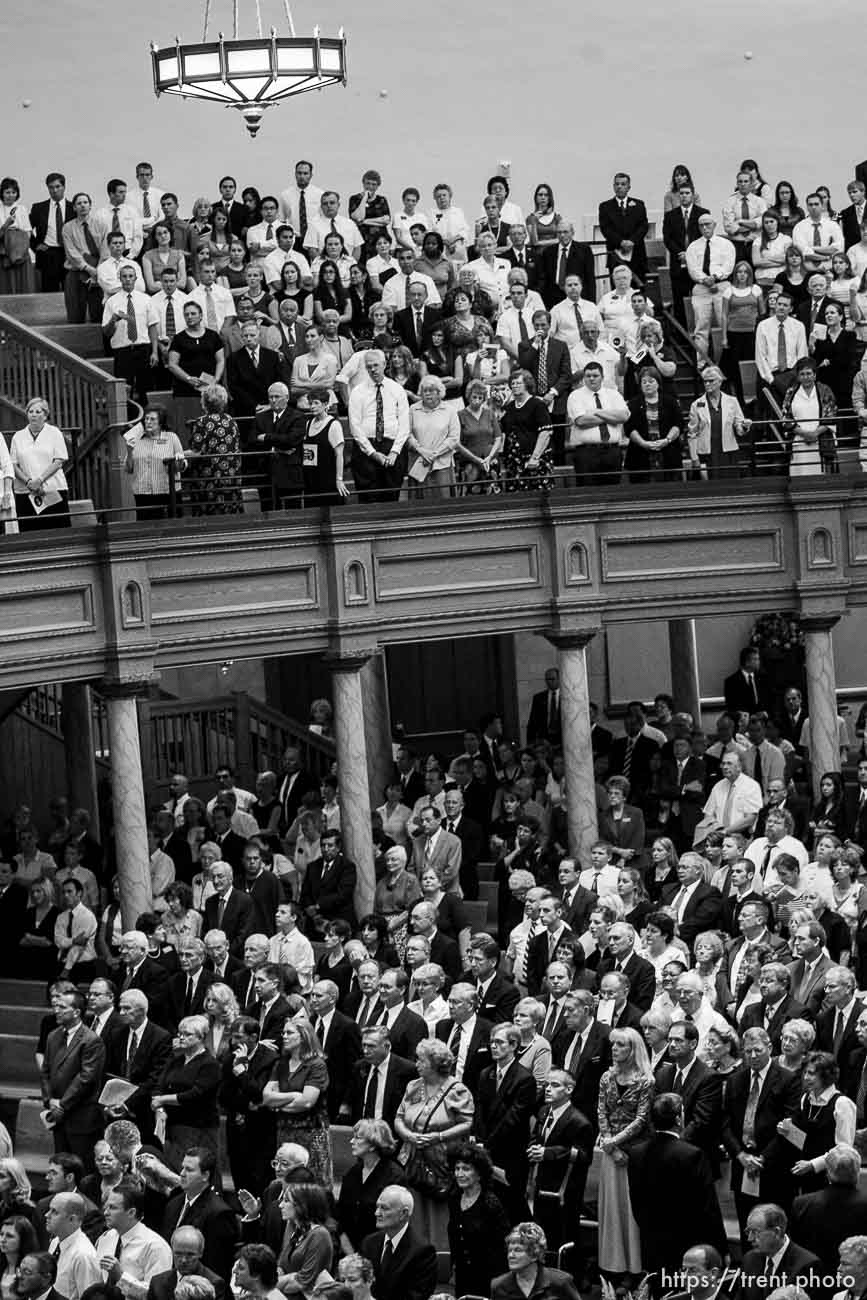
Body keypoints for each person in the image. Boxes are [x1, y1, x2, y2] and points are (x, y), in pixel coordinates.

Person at [393, 1037, 473, 1250]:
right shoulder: (413, 1086)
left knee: (438, 1211)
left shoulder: (457, 1089)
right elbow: (399, 1117)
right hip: (412, 1159)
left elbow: (467, 1123)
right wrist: (408, 1135)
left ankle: (441, 1255)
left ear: (436, 1063)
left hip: (441, 1161)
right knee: (414, 1208)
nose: (416, 1064)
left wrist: (438, 1136)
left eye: (421, 1060)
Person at [39, 988, 105, 1168]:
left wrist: (62, 1104)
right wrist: (49, 1100)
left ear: (76, 1012)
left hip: (81, 1116)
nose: (56, 1010)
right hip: (58, 1116)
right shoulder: (53, 1036)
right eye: (56, 1006)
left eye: (62, 1007)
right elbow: (45, 1071)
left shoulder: (91, 1040)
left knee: (82, 1169)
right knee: (61, 1168)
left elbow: (86, 1078)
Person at [262, 1019, 332, 1187]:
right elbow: (266, 1097)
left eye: (289, 1033)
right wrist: (293, 1095)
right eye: (283, 1033)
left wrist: (278, 1103)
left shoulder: (316, 1065)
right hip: (285, 1131)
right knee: (285, 1179)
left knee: (313, 1182)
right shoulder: (281, 1064)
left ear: (303, 1037)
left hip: (311, 1133)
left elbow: (307, 1102)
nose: (284, 1036)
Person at [151, 1014, 221, 1169]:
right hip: (172, 1125)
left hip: (198, 1128)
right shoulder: (176, 1060)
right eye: (180, 1034)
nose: (181, 1038)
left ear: (201, 1037)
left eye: (187, 1034)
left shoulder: (209, 1063)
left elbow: (195, 1095)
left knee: (192, 1169)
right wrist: (160, 1109)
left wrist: (162, 1100)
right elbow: (158, 1086)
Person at [446, 1143, 509, 1299]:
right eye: (457, 1168)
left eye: (466, 1169)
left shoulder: (490, 1203)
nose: (460, 1174)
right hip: (462, 1274)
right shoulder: (454, 1198)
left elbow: (502, 1244)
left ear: (479, 1174)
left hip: (488, 1276)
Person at [347, 348, 410, 502]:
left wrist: (395, 452)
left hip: (392, 448)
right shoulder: (357, 391)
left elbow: (404, 423)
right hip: (366, 451)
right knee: (368, 499)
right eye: (369, 366)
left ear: (384, 364)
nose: (372, 370)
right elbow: (355, 426)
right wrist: (372, 453)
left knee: (391, 497)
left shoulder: (397, 389)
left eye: (375, 365)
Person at [335, 1119, 406, 1252]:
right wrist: (351, 1256)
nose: (352, 1141)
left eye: (358, 1138)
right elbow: (341, 1220)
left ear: (373, 1145)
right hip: (349, 1251)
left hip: (381, 1251)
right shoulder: (353, 1173)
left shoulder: (394, 1176)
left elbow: (394, 1223)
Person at [359, 1185, 437, 1300]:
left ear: (403, 1214)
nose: (377, 1213)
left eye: (384, 1208)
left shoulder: (422, 1252)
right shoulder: (369, 1243)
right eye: (377, 1207)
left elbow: (416, 1297)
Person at [10, 396, 70, 531]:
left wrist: (40, 480)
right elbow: (13, 465)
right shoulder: (18, 436)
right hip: (26, 491)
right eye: (30, 411)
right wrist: (29, 482)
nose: (34, 415)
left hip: (52, 489)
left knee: (56, 530)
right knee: (30, 532)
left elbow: (59, 461)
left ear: (45, 415)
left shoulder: (54, 433)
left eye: (38, 412)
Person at [567, 360, 630, 486]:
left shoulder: (613, 394)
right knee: (587, 493)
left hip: (612, 452)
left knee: (612, 492)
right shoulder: (575, 396)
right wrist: (611, 416)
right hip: (586, 453)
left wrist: (597, 412)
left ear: (602, 377)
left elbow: (623, 416)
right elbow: (581, 421)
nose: (591, 379)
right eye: (588, 376)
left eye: (595, 376)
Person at [186, 385, 242, 514]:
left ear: (204, 403)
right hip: (231, 476)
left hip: (210, 478)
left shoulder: (201, 422)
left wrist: (177, 453)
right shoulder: (231, 420)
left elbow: (196, 451)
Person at [125, 405, 186, 520]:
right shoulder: (136, 440)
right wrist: (129, 451)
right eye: (146, 419)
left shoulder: (172, 438)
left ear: (161, 422)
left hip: (167, 493)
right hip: (143, 495)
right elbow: (129, 469)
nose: (148, 422)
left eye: (152, 419)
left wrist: (180, 459)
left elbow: (180, 467)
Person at [491, 1221, 580, 1300]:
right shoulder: (498, 1286)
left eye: (518, 1250)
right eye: (509, 1250)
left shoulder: (561, 1283)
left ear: (534, 1254)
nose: (510, 1255)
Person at [623, 366, 683, 484]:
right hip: (640, 455)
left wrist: (667, 440)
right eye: (644, 382)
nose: (647, 384)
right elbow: (629, 428)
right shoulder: (633, 403)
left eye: (651, 381)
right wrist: (643, 443)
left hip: (668, 453)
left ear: (658, 383)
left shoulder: (670, 401)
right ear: (640, 385)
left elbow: (678, 424)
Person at [686, 214, 736, 353]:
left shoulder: (726, 244)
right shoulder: (693, 247)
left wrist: (714, 277)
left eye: (708, 224)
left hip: (722, 285)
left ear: (714, 225)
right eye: (701, 225)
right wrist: (705, 280)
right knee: (701, 326)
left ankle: (726, 362)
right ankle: (701, 363)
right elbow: (693, 269)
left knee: (724, 324)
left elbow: (728, 266)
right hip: (701, 288)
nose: (705, 227)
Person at [781, 356, 838, 477]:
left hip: (821, 441)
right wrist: (804, 434)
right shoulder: (791, 392)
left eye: (809, 373)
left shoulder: (824, 390)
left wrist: (814, 434)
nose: (806, 377)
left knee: (820, 478)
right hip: (798, 443)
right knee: (799, 478)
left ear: (815, 375)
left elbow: (831, 414)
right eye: (802, 374)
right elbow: (786, 417)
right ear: (798, 376)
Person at [274, 1183, 333, 1298]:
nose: (280, 1205)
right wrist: (288, 1278)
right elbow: (281, 1267)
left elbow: (301, 1282)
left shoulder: (320, 1235)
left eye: (286, 1201)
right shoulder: (297, 1231)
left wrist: (269, 1286)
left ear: (302, 1205)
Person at [406, 375, 460, 498]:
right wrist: (421, 450)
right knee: (420, 505)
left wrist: (434, 454)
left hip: (442, 464)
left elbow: (454, 438)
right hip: (419, 464)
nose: (428, 394)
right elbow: (406, 434)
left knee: (444, 504)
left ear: (439, 392)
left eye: (431, 391)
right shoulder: (413, 409)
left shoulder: (449, 410)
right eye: (425, 391)